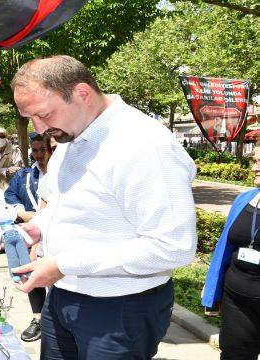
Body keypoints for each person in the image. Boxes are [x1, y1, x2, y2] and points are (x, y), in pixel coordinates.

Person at [10, 55, 197, 359]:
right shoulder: (71, 138)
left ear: (83, 94)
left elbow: (174, 246)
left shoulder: (144, 145)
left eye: (44, 114)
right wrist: (38, 227)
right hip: (63, 295)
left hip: (119, 308)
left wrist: (63, 264)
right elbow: (65, 205)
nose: (39, 128)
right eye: (30, 118)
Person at [202, 145, 260, 360]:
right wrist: (212, 287)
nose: (255, 167)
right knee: (234, 355)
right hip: (236, 300)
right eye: (254, 161)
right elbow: (224, 248)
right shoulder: (246, 199)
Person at [2, 132, 55, 342]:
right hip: (31, 231)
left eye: (43, 149)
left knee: (56, 278)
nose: (39, 154)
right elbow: (9, 196)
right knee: (33, 275)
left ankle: (54, 319)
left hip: (55, 234)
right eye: (35, 150)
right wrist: (21, 212)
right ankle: (38, 318)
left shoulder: (62, 173)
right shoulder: (25, 174)